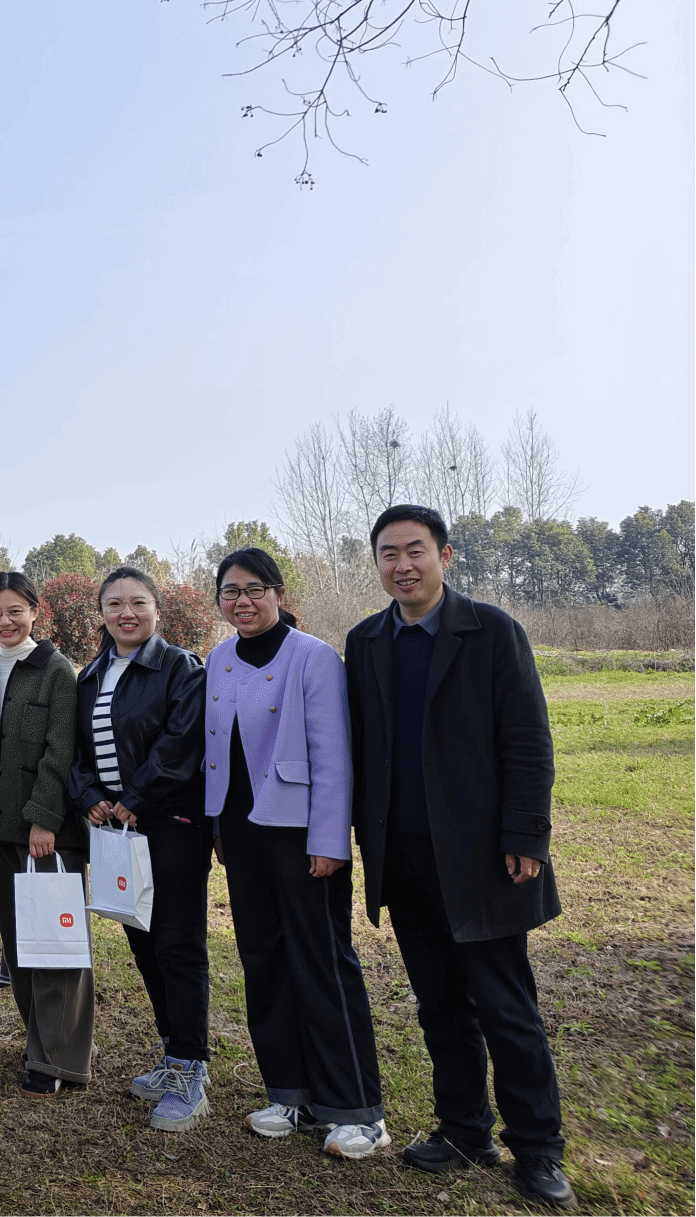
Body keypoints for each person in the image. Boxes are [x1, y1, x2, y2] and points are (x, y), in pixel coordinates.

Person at [346, 506, 574, 1208]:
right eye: (389, 554)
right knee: (439, 1003)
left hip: (481, 858)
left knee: (506, 1007)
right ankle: (465, 1128)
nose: (402, 566)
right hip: (403, 853)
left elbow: (528, 739)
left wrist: (525, 835)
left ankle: (537, 1146)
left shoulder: (492, 631)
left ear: (444, 556)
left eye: (415, 551)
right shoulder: (366, 641)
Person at [206, 548, 387, 1156]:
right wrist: (219, 827)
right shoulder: (219, 658)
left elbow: (334, 755)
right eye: (231, 591)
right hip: (242, 829)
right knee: (263, 959)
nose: (243, 601)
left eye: (255, 589)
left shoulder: (312, 656)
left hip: (302, 833)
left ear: (279, 594)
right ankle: (291, 1092)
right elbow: (220, 753)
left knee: (321, 961)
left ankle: (357, 1109)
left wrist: (330, 840)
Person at [65, 566, 209, 1131]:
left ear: (157, 609)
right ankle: (172, 1052)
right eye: (114, 604)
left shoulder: (181, 668)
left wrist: (134, 797)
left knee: (178, 944)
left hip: (169, 824)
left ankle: (191, 1069)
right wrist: (90, 797)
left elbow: (181, 743)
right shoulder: (91, 674)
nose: (126, 613)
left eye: (138, 602)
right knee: (143, 941)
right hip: (115, 830)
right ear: (101, 613)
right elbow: (77, 751)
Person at [0, 570, 90, 1098]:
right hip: (0, 829)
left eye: (15, 611)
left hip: (45, 831)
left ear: (35, 613)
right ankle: (42, 1041)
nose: (5, 622)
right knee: (19, 945)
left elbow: (61, 748)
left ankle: (59, 1060)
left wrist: (45, 816)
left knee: (56, 946)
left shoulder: (56, 670)